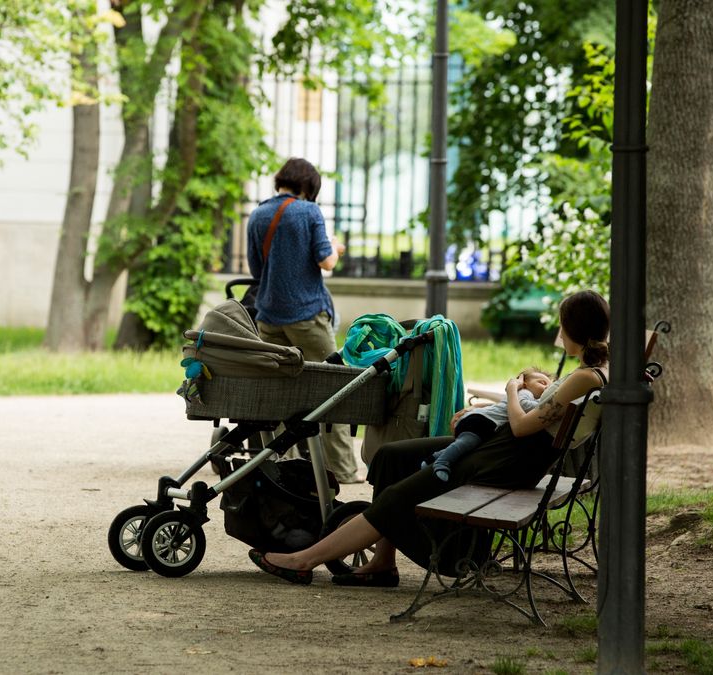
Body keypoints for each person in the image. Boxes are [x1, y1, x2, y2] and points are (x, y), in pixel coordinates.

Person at [246, 290, 610, 586]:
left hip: (506, 460)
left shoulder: (585, 377)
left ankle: (303, 560)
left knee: (398, 496)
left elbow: (522, 426)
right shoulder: (592, 372)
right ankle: (382, 563)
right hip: (502, 447)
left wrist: (512, 390)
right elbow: (534, 417)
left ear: (572, 328)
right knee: (392, 455)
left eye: (561, 325)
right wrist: (489, 407)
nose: (559, 332)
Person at [246, 157, 362, 485]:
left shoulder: (257, 215)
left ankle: (283, 468)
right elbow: (327, 262)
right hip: (307, 317)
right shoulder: (309, 212)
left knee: (280, 393)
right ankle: (341, 469)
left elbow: (256, 270)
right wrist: (336, 248)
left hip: (269, 317)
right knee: (333, 389)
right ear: (309, 185)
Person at [425, 367, 553, 482]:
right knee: (467, 443)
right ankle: (442, 463)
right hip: (480, 421)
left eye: (550, 386)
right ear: (524, 384)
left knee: (468, 445)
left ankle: (433, 458)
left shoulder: (523, 395)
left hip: (485, 422)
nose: (547, 387)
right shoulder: (524, 393)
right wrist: (546, 406)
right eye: (542, 383)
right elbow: (524, 404)